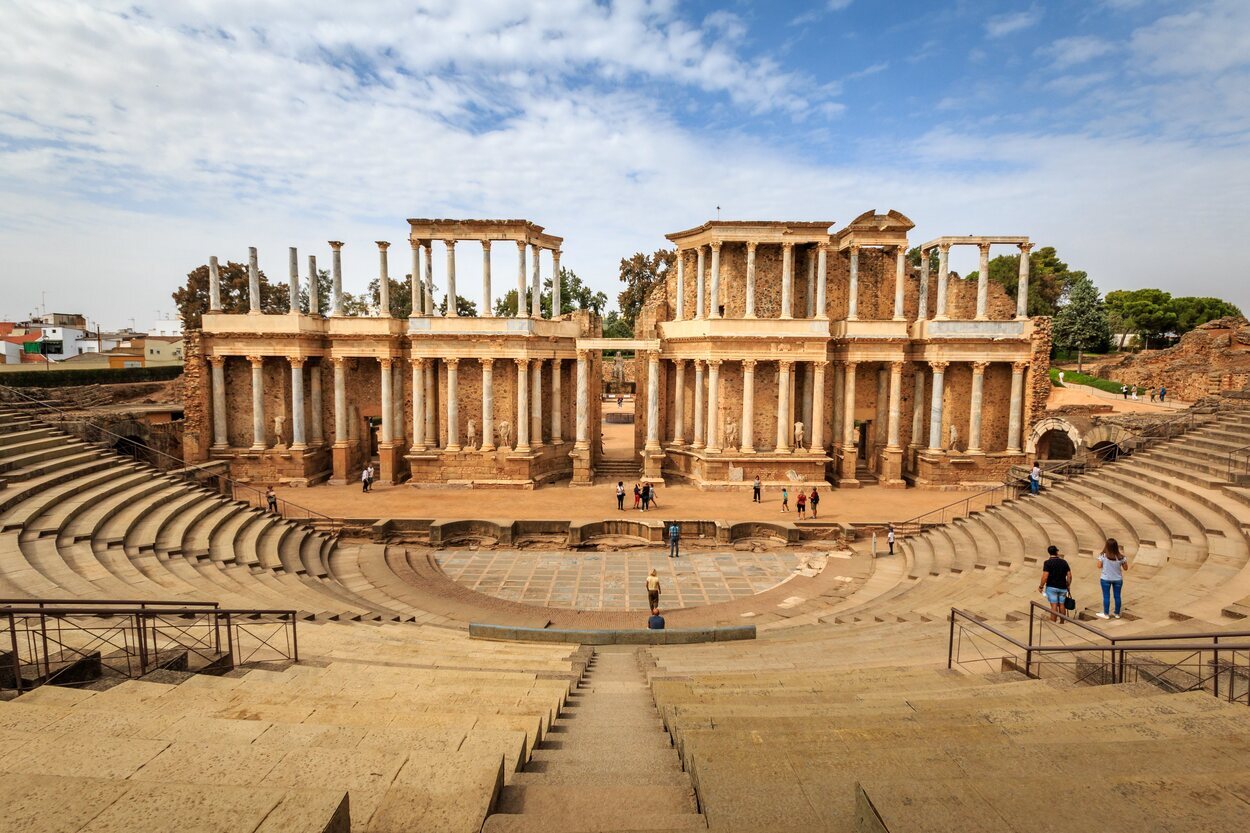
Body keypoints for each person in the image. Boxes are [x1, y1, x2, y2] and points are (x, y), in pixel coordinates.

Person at [1095, 537, 1129, 619]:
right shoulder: (1121, 557)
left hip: (1105, 578)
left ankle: (1106, 614)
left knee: (1106, 596)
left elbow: (1099, 566)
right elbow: (1126, 568)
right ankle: (1117, 613)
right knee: (1117, 596)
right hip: (1117, 579)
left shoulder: (1103, 555)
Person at [1039, 544, 1073, 623]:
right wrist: (1068, 585)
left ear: (1049, 553)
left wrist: (1041, 586)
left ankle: (1053, 622)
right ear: (1057, 552)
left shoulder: (1047, 563)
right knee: (1062, 604)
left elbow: (1045, 576)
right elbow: (1069, 575)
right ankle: (1062, 622)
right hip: (1062, 587)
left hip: (1051, 587)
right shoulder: (1064, 562)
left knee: (1054, 604)